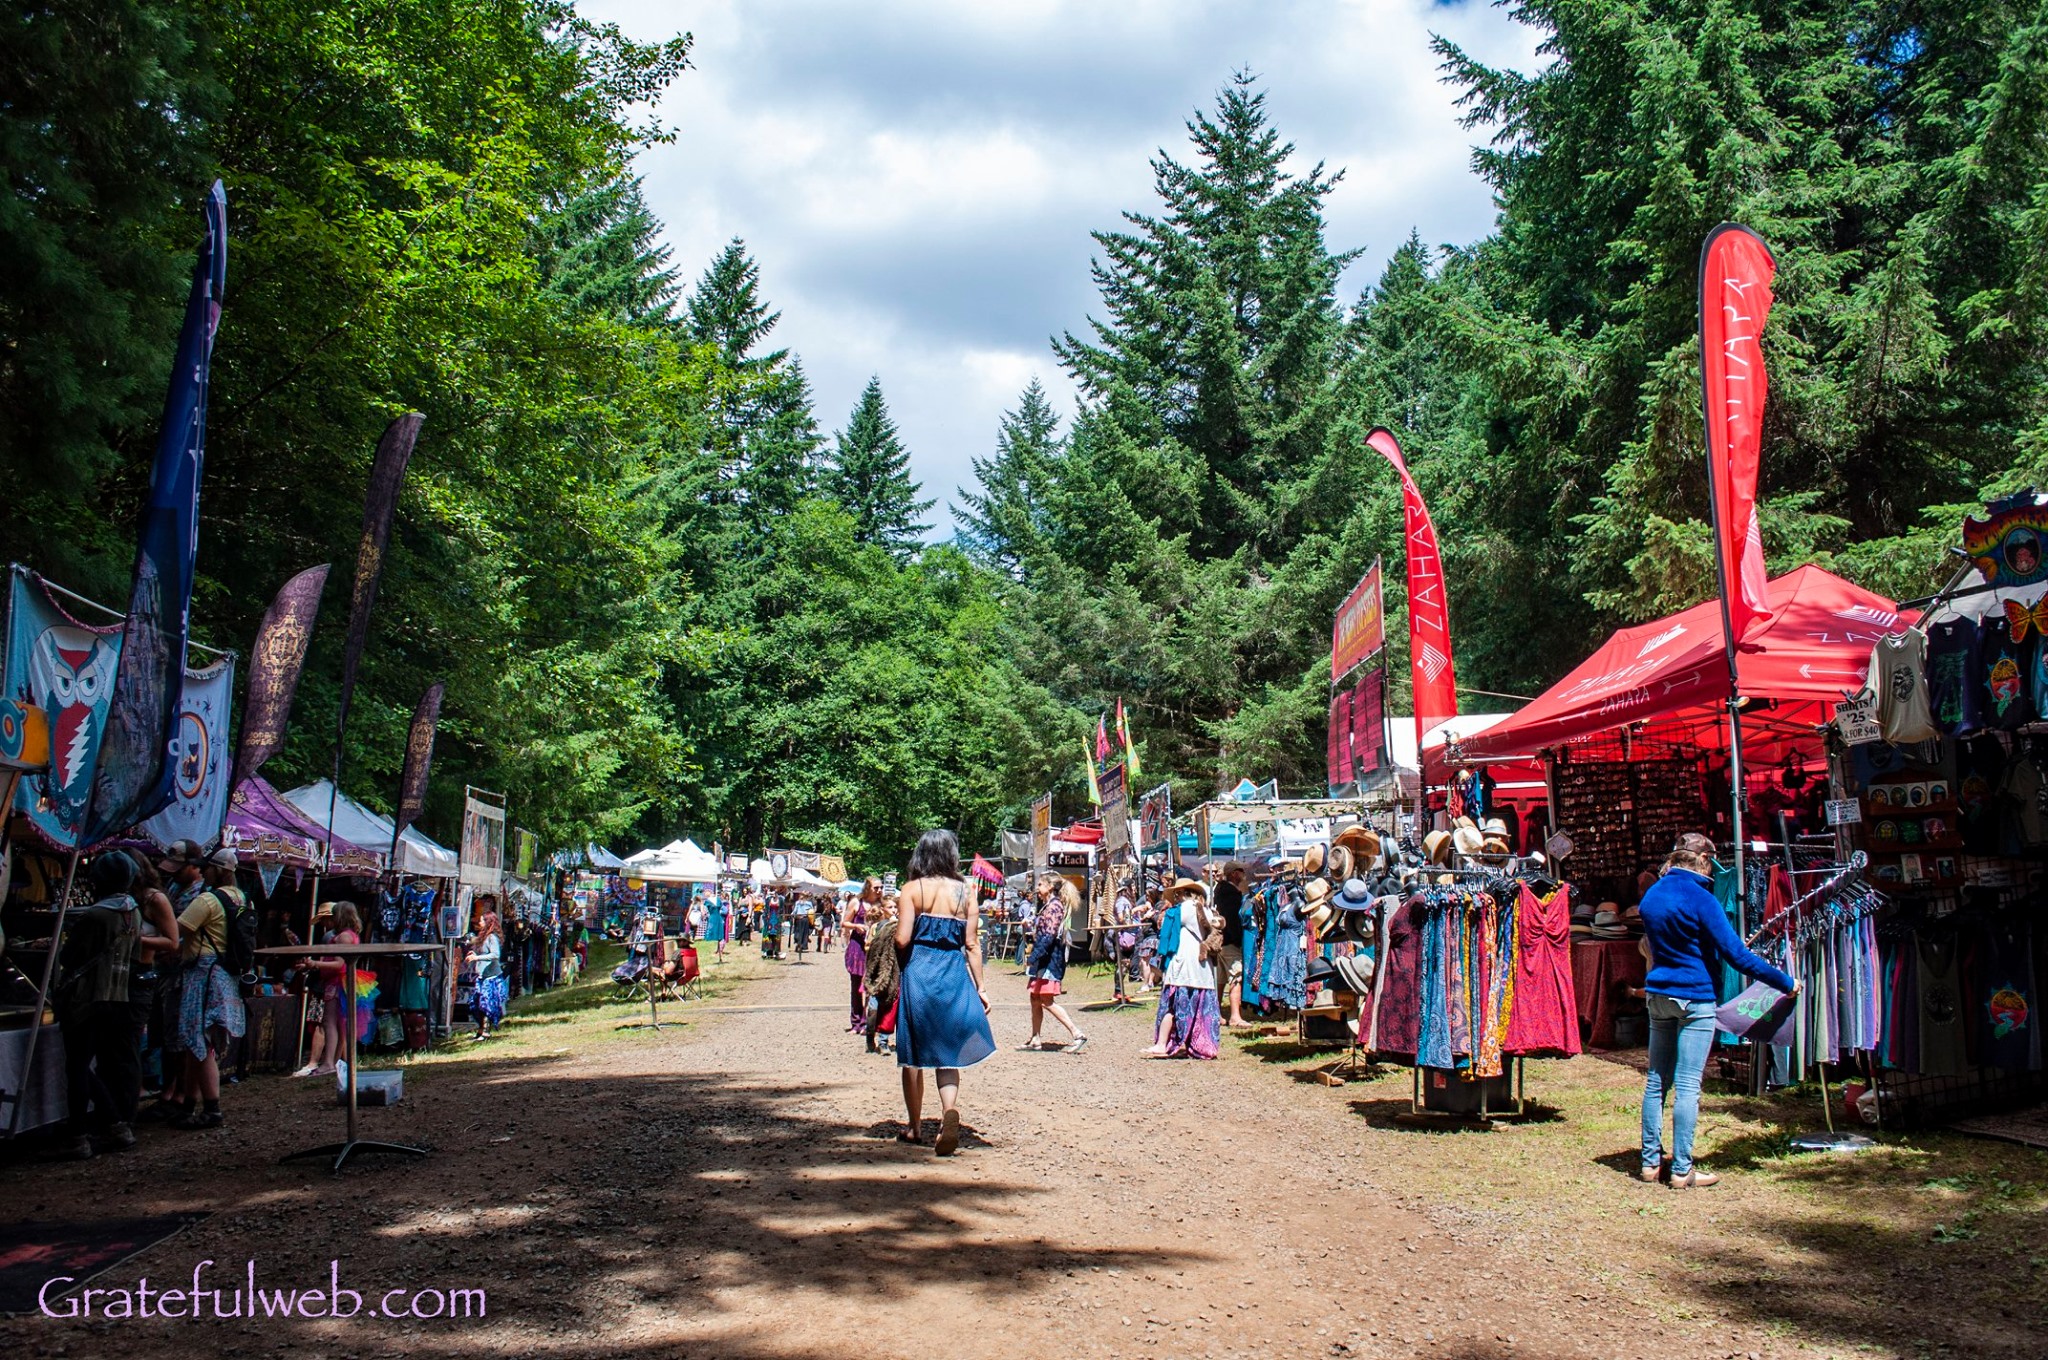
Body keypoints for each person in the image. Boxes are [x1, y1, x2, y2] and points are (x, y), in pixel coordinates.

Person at [1638, 843, 1798, 1188]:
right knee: (1688, 1085)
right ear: (1704, 861)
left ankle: (1650, 1163)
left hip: (1657, 994)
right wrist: (1785, 982)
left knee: (1656, 1081)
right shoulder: (1702, 899)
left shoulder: (1652, 895)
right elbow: (1737, 956)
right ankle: (1682, 1169)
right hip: (1694, 997)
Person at [893, 830, 996, 1154]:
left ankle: (914, 1127)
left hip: (919, 974)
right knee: (947, 1053)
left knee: (912, 1056)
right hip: (953, 974)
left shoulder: (912, 889)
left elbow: (901, 939)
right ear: (951, 855)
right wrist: (980, 988)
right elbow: (972, 944)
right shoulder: (966, 892)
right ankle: (948, 1108)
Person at [56, 852, 143, 1159]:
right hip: (116, 994)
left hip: (86, 996)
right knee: (87, 1064)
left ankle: (79, 1136)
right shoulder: (134, 911)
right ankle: (117, 1125)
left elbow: (68, 957)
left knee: (77, 1066)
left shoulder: (95, 916)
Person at [168, 848, 248, 1128]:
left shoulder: (208, 900)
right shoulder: (240, 898)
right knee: (199, 1043)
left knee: (200, 1041)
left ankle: (212, 1107)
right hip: (224, 973)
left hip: (201, 972)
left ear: (216, 870)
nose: (202, 872)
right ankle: (190, 1104)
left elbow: (175, 931)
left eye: (207, 868)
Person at [1145, 877, 1222, 1059]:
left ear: (1181, 893)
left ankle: (1163, 1044)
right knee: (1201, 1011)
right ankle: (1202, 1045)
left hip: (1183, 964)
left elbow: (1165, 930)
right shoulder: (1207, 911)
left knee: (1172, 1006)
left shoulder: (1184, 909)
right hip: (1202, 966)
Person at [1021, 878, 1087, 1052]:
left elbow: (1048, 936)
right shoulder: (1048, 906)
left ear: (1050, 887)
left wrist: (1034, 956)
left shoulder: (1054, 906)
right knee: (1035, 998)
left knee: (1046, 1000)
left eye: (1040, 884)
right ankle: (1035, 1038)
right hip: (1043, 959)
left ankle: (1077, 1034)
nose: (1037, 888)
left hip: (1049, 960)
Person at [1213, 862, 1250, 1028]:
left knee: (1221, 979)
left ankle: (1215, 1013)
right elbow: (1232, 919)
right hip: (1229, 940)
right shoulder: (1231, 893)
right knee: (1236, 976)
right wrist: (1238, 939)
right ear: (1235, 873)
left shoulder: (1220, 890)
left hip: (1221, 939)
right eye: (1241, 871)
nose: (1243, 874)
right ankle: (1235, 1016)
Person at [845, 878, 881, 1032]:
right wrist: (856, 925)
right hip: (857, 947)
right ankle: (856, 1022)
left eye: (881, 888)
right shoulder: (856, 903)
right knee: (856, 986)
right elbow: (844, 922)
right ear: (867, 888)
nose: (879, 891)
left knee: (871, 986)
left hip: (874, 948)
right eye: (876, 888)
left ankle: (868, 1022)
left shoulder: (881, 905)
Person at [470, 904, 507, 1038]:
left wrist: (477, 957)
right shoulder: (483, 938)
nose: (479, 922)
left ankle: (486, 1031)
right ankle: (480, 1030)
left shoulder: (492, 938)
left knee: (487, 1005)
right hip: (482, 977)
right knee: (477, 1004)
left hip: (492, 978)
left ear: (488, 922)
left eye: (481, 920)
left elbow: (495, 955)